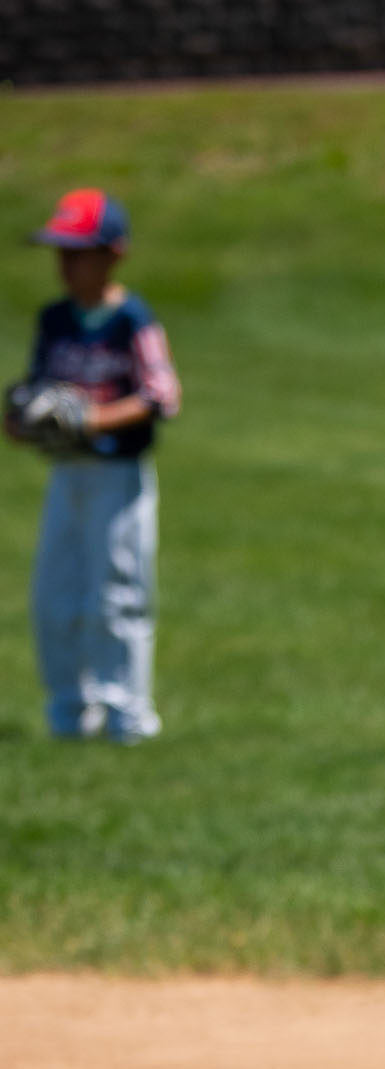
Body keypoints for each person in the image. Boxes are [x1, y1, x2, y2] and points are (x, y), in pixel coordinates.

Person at [4, 188, 181, 743]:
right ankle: (70, 712)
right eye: (60, 252)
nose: (65, 264)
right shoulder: (55, 318)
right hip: (67, 474)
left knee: (117, 594)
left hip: (116, 477)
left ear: (113, 254)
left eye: (77, 253)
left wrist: (92, 420)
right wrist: (25, 420)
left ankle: (128, 715)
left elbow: (161, 395)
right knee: (54, 596)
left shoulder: (131, 318)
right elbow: (39, 390)